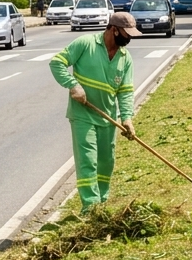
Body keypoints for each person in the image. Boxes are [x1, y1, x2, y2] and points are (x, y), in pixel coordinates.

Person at [49, 13, 137, 212]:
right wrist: (73, 85)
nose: (129, 38)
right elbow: (57, 63)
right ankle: (90, 207)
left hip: (107, 118)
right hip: (83, 116)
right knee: (88, 161)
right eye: (126, 33)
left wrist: (127, 118)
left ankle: (102, 204)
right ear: (113, 29)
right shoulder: (86, 43)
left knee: (106, 162)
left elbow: (125, 91)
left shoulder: (125, 57)